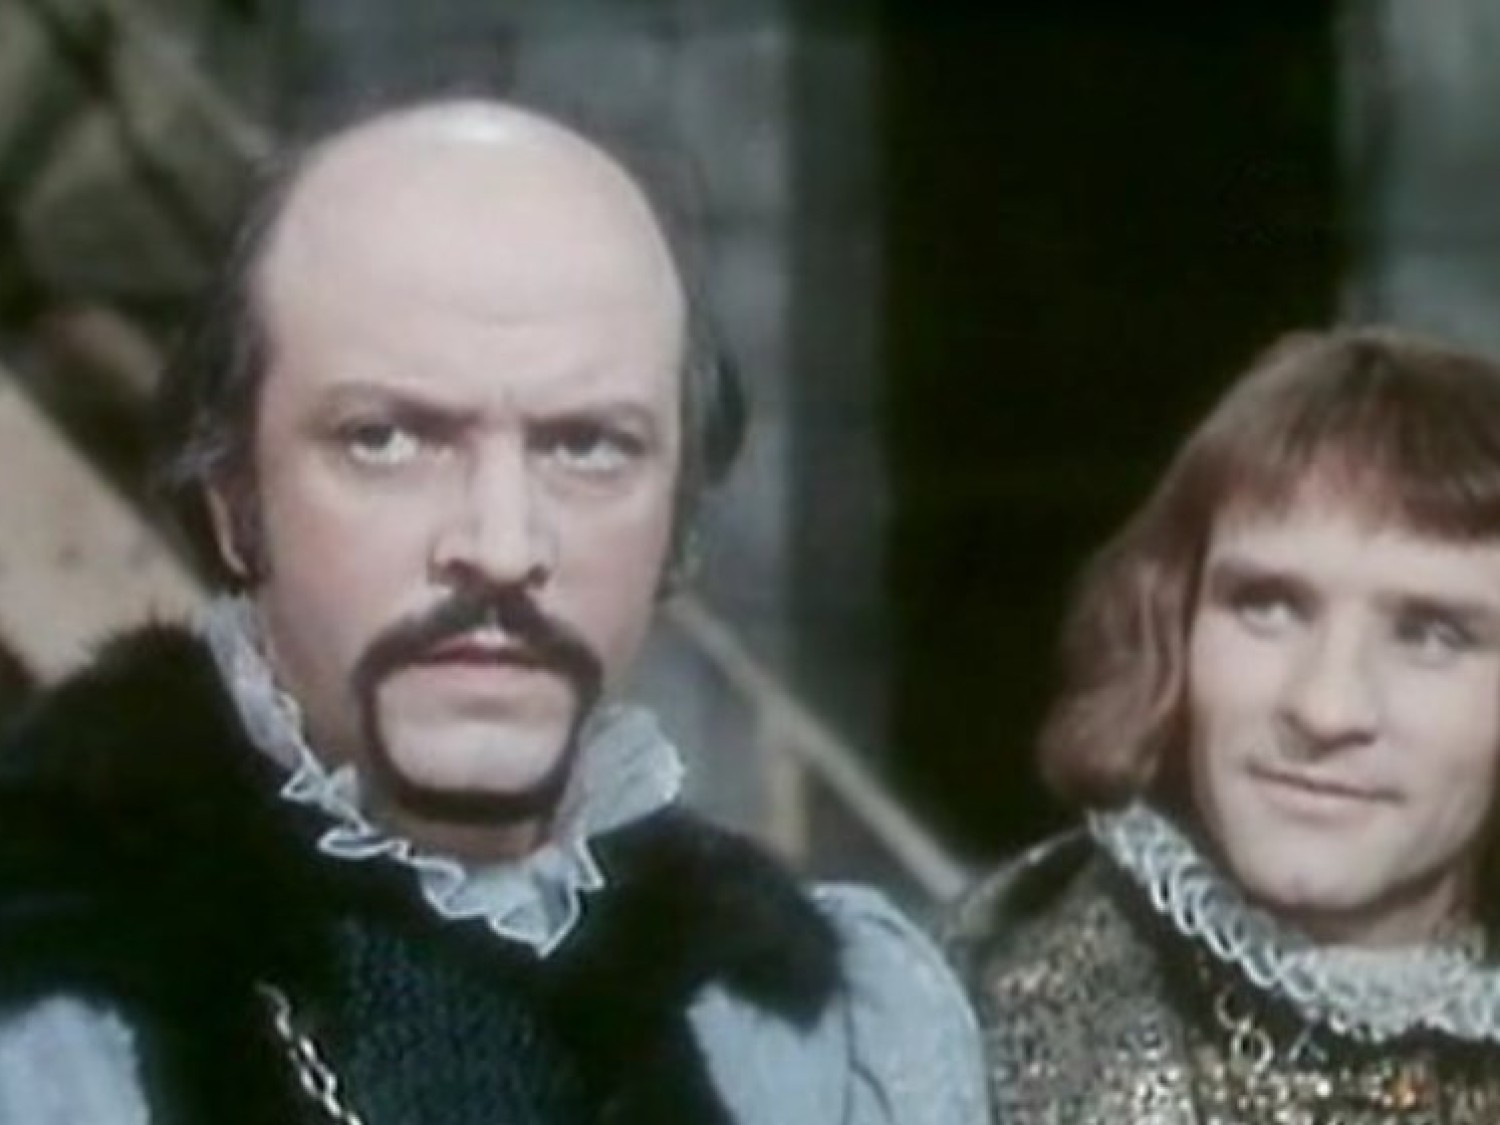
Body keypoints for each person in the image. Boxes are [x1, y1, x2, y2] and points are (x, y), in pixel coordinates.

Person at [0, 99, 986, 1125]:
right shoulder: (42, 1021)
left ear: (678, 521)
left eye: (588, 446)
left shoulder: (827, 1036)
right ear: (236, 501)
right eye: (386, 438)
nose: (503, 547)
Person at [950, 326, 1500, 1123]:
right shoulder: (954, 1034)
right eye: (1268, 606)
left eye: (1431, 634)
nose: (1326, 708)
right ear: (1174, 626)